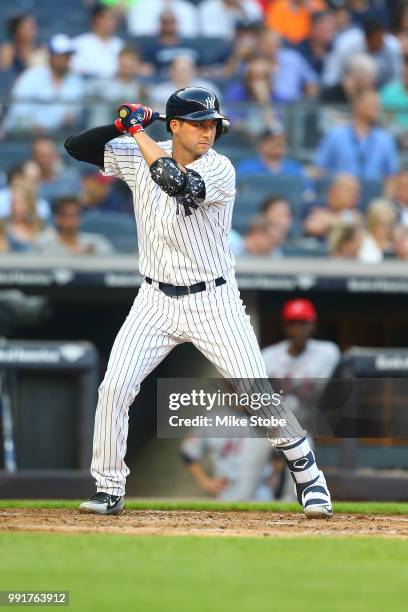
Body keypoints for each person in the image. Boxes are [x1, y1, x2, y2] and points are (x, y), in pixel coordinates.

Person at [65, 86, 332, 517]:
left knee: (257, 394)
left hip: (214, 301)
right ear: (174, 126)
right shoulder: (140, 150)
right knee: (114, 387)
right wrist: (124, 124)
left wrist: (138, 134)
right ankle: (109, 486)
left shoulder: (220, 167)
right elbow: (77, 148)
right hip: (153, 299)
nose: (209, 131)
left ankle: (309, 478)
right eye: (199, 123)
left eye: (212, 124)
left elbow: (175, 182)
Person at [262, 298, 341, 500]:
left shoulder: (327, 352)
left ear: (312, 325)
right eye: (293, 323)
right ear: (285, 326)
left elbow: (317, 395)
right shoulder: (268, 355)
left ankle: (294, 524)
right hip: (264, 429)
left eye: (303, 323)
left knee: (298, 486)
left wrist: (289, 387)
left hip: (301, 429)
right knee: (244, 484)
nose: (298, 329)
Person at [313, 89, 400, 185]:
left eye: (378, 104)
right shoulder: (335, 135)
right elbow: (319, 168)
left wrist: (386, 199)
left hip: (373, 194)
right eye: (371, 104)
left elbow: (391, 176)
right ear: (357, 105)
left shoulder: (385, 140)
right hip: (342, 192)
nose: (377, 107)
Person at [3, 34, 84, 134]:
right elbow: (19, 112)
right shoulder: (31, 76)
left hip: (58, 136)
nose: (67, 59)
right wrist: (36, 127)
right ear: (51, 56)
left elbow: (74, 114)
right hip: (22, 134)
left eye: (69, 55)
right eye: (63, 55)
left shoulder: (75, 81)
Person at [181, 419, 274, 501]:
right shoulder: (213, 419)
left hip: (260, 491)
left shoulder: (267, 418)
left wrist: (274, 477)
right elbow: (188, 454)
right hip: (226, 491)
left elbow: (280, 456)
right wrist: (205, 482)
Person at [322, 15, 402, 88]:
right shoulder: (348, 46)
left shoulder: (392, 47)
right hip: (352, 90)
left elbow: (397, 78)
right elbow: (332, 75)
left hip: (385, 90)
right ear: (366, 39)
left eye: (381, 39)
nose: (379, 44)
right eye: (375, 40)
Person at [85, 46, 147, 127]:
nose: (126, 63)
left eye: (131, 60)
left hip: (131, 134)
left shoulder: (142, 88)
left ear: (137, 64)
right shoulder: (102, 84)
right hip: (103, 130)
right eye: (123, 59)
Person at [34, 196, 114, 256]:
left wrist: (91, 253)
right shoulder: (42, 242)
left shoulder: (97, 242)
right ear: (57, 218)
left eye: (75, 214)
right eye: (66, 215)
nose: (71, 219)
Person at [257, 28, 319, 102]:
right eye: (268, 44)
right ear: (260, 45)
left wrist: (308, 100)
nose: (272, 48)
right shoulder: (254, 65)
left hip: (293, 107)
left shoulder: (292, 58)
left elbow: (312, 80)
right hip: (265, 107)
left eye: (275, 44)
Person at [146, 55, 221, 114]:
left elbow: (220, 110)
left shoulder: (208, 88)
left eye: (186, 70)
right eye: (179, 70)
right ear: (170, 72)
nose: (182, 74)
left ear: (194, 71)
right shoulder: (160, 91)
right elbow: (153, 113)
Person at [135, 9, 199, 73]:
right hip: (161, 81)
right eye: (165, 22)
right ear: (160, 24)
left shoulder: (190, 45)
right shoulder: (150, 47)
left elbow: (201, 67)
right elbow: (146, 68)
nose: (169, 26)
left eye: (172, 22)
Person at [71, 4, 124, 78]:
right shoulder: (79, 43)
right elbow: (75, 69)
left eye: (112, 19)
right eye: (104, 18)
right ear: (94, 20)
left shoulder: (121, 45)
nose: (109, 22)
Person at [303, 174, 362, 240]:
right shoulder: (313, 207)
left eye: (356, 193)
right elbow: (312, 227)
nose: (355, 197)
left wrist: (329, 220)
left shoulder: (356, 212)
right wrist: (343, 221)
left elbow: (356, 223)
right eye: (348, 191)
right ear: (333, 191)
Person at [236, 124, 307, 179]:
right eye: (270, 140)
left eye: (281, 140)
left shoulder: (295, 169)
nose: (277, 143)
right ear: (260, 145)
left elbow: (307, 193)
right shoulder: (245, 168)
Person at [31, 137, 82, 204]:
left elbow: (80, 202)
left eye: (48, 155)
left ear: (55, 156)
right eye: (40, 156)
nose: (44, 160)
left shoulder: (71, 177)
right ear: (34, 158)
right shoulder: (30, 184)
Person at [295, 10, 336, 78]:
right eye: (324, 28)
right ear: (313, 27)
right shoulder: (299, 51)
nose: (329, 28)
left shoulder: (335, 50)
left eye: (331, 28)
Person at [126, 0, 199, 38]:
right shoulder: (141, 6)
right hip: (151, 50)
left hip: (181, 50)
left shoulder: (187, 8)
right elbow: (139, 34)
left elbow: (190, 36)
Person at [6, 184, 44, 252]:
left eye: (19, 204)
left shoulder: (41, 227)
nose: (14, 208)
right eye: (12, 203)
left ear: (29, 205)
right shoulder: (4, 228)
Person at [198, 0, 263, 40]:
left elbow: (258, 27)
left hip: (245, 48)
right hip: (219, 49)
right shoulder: (209, 7)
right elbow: (210, 37)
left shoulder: (249, 4)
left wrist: (239, 8)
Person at [358, 198, 397, 263]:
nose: (387, 228)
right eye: (382, 224)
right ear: (372, 223)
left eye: (390, 224)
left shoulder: (396, 244)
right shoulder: (361, 241)